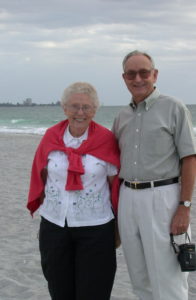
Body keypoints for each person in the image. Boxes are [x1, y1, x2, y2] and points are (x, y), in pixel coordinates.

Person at [112, 50, 196, 300]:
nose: (138, 79)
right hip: (128, 197)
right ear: (124, 77)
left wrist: (184, 206)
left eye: (144, 72)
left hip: (164, 197)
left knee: (168, 278)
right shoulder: (121, 116)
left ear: (154, 74)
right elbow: (112, 162)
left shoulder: (174, 107)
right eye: (131, 74)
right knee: (139, 277)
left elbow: (189, 158)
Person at [27, 82, 120, 300]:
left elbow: (115, 184)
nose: (80, 112)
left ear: (95, 110)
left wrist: (119, 226)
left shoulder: (106, 140)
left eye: (86, 107)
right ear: (64, 108)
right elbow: (40, 174)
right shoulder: (51, 136)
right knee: (59, 291)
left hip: (96, 229)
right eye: (74, 106)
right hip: (54, 226)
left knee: (94, 292)